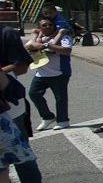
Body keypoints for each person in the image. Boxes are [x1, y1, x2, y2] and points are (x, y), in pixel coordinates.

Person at [0, 22, 41, 183]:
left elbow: (22, 66)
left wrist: (2, 72)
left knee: (21, 156)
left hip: (9, 107)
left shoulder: (6, 33)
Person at [25, 17, 72, 131]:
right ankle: (47, 117)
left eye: (50, 24)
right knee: (33, 93)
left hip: (59, 72)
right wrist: (37, 40)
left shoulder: (63, 37)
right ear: (40, 28)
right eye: (44, 25)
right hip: (41, 73)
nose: (47, 27)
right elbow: (28, 47)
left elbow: (67, 50)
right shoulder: (38, 38)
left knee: (60, 98)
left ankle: (63, 121)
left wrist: (46, 45)